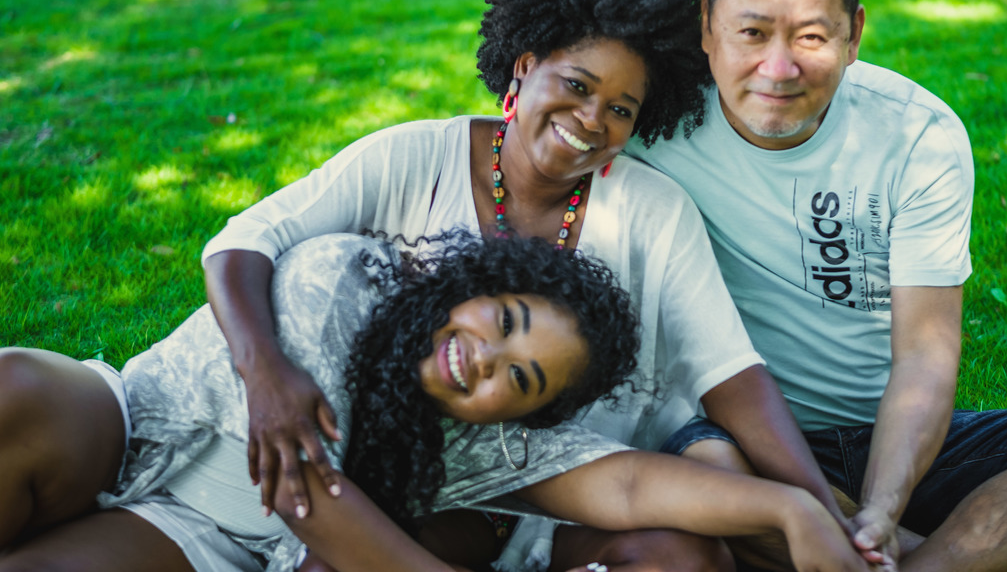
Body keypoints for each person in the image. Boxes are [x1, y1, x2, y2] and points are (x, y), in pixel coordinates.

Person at [198, 0, 859, 572]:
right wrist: (265, 371)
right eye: (576, 85)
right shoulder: (413, 158)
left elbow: (729, 375)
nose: (591, 119)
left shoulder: (652, 210)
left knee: (705, 550)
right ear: (524, 66)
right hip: (421, 482)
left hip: (576, 482)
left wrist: (821, 512)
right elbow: (244, 242)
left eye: (621, 110)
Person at [627, 0, 1007, 572]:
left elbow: (925, 356)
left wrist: (883, 503)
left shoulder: (916, 136)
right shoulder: (648, 119)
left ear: (854, 34)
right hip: (739, 436)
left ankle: (876, 549)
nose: (778, 68)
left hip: (891, 436)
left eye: (812, 37)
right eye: (751, 32)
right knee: (705, 468)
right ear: (706, 24)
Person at [0, 231, 863, 572]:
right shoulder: (341, 279)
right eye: (506, 320)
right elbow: (306, 494)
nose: (487, 360)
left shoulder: (482, 439)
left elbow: (632, 484)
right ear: (475, 286)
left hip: (213, 539)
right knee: (16, 391)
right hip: (141, 428)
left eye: (521, 380)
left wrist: (789, 509)